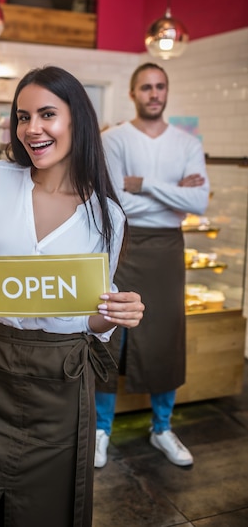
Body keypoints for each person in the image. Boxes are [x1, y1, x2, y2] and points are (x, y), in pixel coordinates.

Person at [0, 65, 144, 527]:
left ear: (76, 121)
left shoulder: (108, 216)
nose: (32, 129)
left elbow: (89, 320)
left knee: (45, 513)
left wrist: (115, 314)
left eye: (47, 114)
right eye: (23, 117)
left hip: (61, 385)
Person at [94, 62, 210, 469]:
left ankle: (162, 428)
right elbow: (118, 203)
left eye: (160, 86)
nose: (154, 93)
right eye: (146, 87)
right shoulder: (114, 139)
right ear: (133, 93)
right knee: (111, 331)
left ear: (166, 91)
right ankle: (100, 430)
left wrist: (143, 184)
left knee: (165, 333)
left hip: (167, 249)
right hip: (124, 244)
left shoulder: (186, 143)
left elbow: (200, 203)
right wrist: (175, 194)